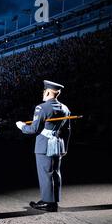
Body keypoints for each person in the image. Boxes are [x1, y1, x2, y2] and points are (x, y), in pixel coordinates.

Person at [16, 80, 71, 212]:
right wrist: (66, 147)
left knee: (45, 174)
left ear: (47, 92)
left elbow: (34, 129)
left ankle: (48, 203)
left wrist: (22, 126)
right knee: (55, 173)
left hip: (44, 145)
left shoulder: (42, 107)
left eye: (43, 91)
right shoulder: (65, 108)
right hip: (58, 145)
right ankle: (52, 200)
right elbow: (67, 130)